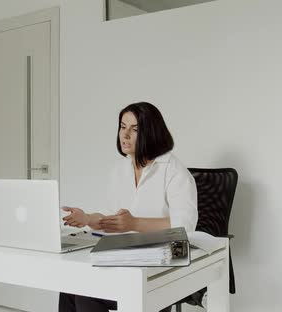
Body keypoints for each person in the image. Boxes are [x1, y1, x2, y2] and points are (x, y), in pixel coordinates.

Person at [59, 102, 198, 312]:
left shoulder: (175, 172)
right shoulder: (120, 169)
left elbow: (185, 226)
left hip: (161, 260)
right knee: (70, 285)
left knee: (87, 293)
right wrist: (87, 218)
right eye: (122, 127)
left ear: (151, 133)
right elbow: (111, 218)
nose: (125, 135)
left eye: (134, 130)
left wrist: (134, 223)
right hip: (124, 255)